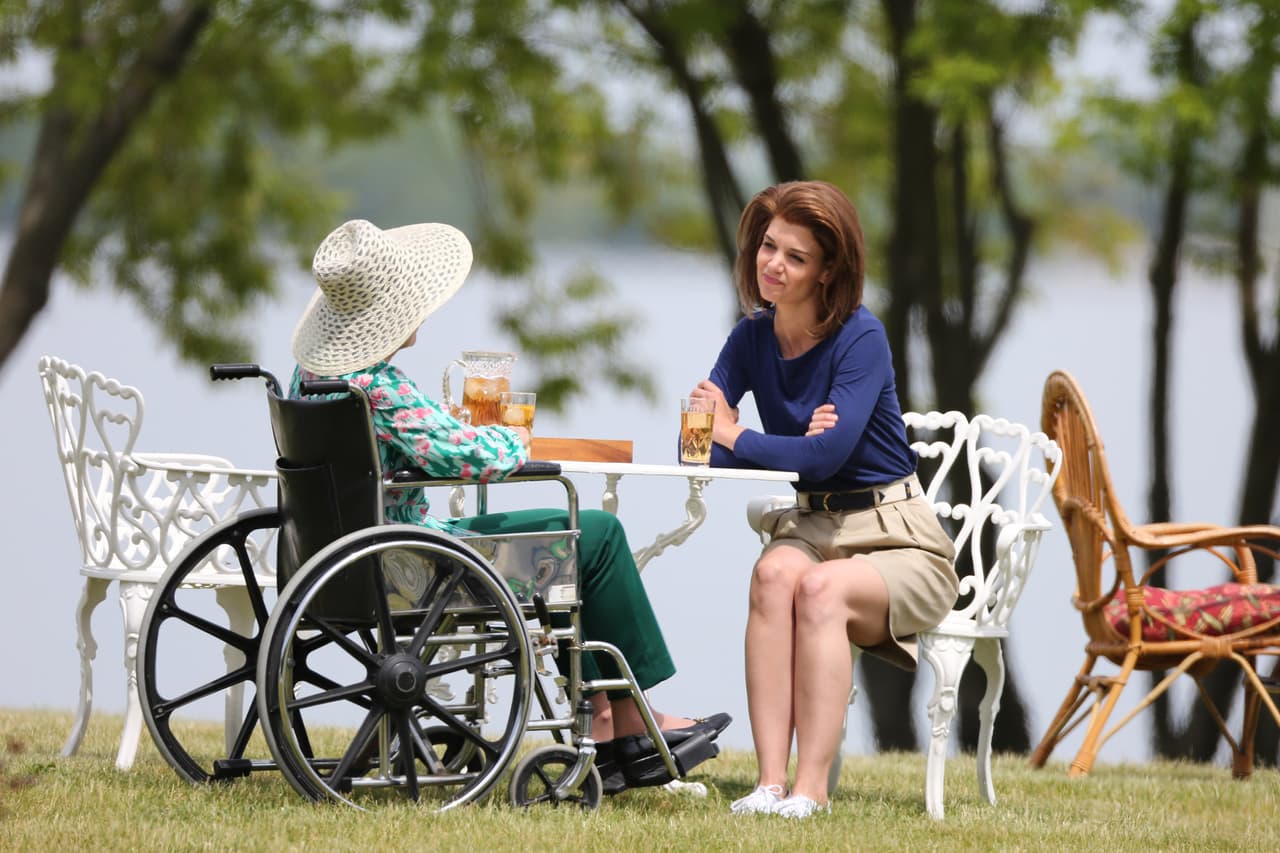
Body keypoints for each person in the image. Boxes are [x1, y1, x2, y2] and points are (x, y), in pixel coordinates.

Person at [289, 218, 729, 794]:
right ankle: (627, 721)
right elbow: (466, 455)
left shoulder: (310, 378)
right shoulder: (376, 385)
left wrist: (453, 430)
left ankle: (610, 716)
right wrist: (512, 438)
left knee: (569, 546)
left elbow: (424, 445)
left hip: (341, 556)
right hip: (411, 563)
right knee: (595, 534)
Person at [688, 181, 959, 819]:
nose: (774, 264)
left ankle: (811, 790)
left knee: (819, 590)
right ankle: (768, 785)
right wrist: (765, 442)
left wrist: (738, 434)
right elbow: (698, 450)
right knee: (773, 574)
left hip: (898, 535)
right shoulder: (750, 338)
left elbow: (824, 459)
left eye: (796, 257)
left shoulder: (861, 337)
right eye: (768, 247)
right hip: (814, 525)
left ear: (828, 270)